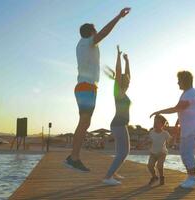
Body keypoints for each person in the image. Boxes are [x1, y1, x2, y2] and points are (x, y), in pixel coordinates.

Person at [64, 8, 131, 173]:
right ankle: (73, 158)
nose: (97, 34)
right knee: (84, 122)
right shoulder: (87, 42)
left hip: (85, 87)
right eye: (95, 31)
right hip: (86, 87)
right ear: (90, 32)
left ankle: (73, 157)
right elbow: (104, 33)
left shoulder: (82, 45)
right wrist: (118, 17)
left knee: (85, 122)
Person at [150, 71, 195, 189]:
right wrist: (177, 124)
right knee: (185, 152)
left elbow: (177, 108)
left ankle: (192, 178)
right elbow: (184, 111)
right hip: (190, 127)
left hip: (193, 128)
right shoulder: (187, 93)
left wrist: (159, 112)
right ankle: (191, 177)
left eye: (179, 80)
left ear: (185, 81)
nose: (177, 82)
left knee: (187, 152)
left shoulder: (190, 94)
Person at [103, 45, 132, 185]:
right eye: (125, 81)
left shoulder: (124, 92)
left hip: (120, 125)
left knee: (122, 151)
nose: (127, 82)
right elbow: (119, 71)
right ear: (120, 82)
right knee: (124, 152)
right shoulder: (118, 92)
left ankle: (113, 173)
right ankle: (108, 177)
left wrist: (127, 60)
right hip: (118, 124)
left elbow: (128, 74)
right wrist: (119, 56)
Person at [147, 115, 171, 186]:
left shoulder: (165, 133)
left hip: (162, 153)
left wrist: (173, 140)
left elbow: (170, 140)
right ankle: (154, 177)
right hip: (153, 153)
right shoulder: (151, 132)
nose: (155, 124)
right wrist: (143, 144)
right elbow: (149, 140)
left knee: (159, 166)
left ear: (162, 124)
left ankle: (161, 177)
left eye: (157, 122)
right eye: (154, 122)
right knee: (150, 166)